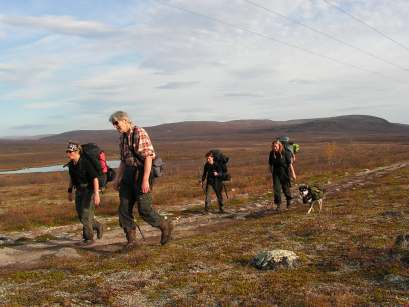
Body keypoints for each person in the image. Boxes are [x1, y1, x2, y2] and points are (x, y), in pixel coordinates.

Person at [109, 111, 172, 249]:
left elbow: (148, 157)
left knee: (144, 209)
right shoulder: (122, 138)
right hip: (128, 175)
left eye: (116, 123)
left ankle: (165, 225)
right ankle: (131, 242)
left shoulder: (139, 132)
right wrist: (117, 179)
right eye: (114, 124)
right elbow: (123, 161)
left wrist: (145, 180)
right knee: (124, 209)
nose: (115, 127)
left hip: (142, 173)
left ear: (125, 120)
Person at [66, 142, 104, 245]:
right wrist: (70, 191)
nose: (68, 153)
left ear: (77, 151)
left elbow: (95, 178)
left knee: (85, 215)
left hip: (89, 190)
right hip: (79, 191)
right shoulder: (71, 164)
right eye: (67, 151)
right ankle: (97, 225)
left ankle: (89, 238)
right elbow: (71, 178)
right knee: (80, 214)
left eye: (70, 151)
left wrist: (96, 194)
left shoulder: (85, 163)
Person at [268, 139, 296, 210]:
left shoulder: (285, 152)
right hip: (276, 173)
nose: (274, 148)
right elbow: (270, 164)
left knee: (285, 188)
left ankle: (289, 201)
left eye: (275, 146)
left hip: (284, 172)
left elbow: (290, 164)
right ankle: (278, 204)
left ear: (279, 146)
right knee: (276, 189)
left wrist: (293, 173)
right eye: (273, 147)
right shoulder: (272, 153)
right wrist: (271, 171)